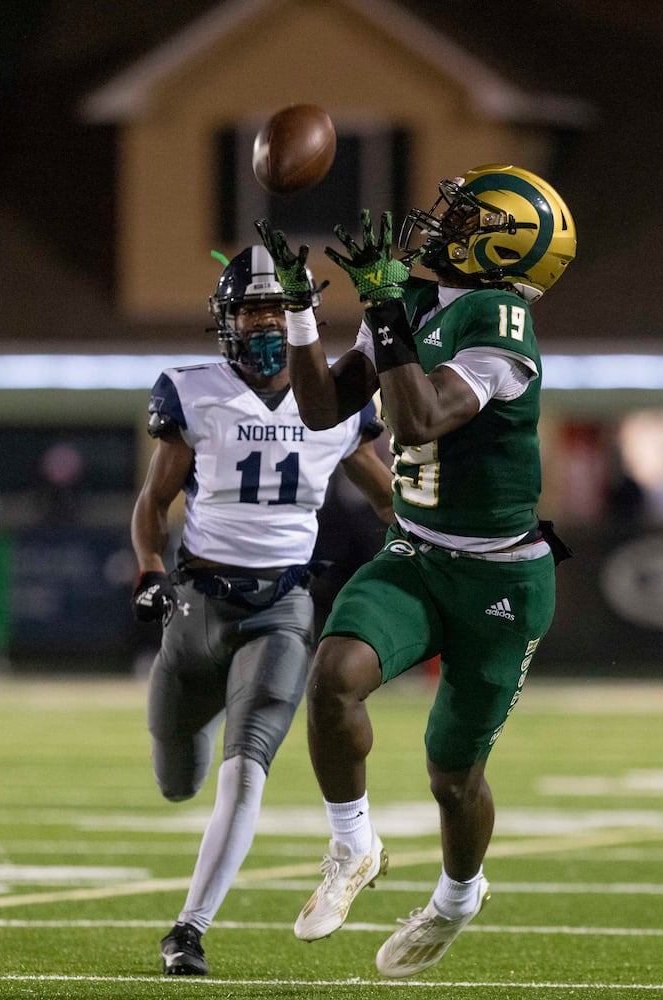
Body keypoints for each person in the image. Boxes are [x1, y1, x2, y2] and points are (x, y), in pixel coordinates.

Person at [256, 162, 576, 978]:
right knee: (333, 675)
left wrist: (384, 307)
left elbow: (421, 417)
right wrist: (303, 313)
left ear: (502, 246)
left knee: (451, 773)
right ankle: (351, 846)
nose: (440, 224)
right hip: (418, 553)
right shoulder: (419, 305)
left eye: (463, 217)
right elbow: (327, 410)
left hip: (500, 581)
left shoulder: (500, 316)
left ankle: (458, 897)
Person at [130, 244, 394, 976]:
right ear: (227, 319)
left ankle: (189, 928)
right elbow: (154, 503)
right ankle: (210, 703)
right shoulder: (194, 390)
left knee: (245, 770)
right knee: (176, 779)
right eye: (251, 308)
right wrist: (149, 568)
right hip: (197, 607)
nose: (264, 321)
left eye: (277, 307)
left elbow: (385, 497)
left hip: (281, 606)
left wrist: (442, 537)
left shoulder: (338, 403)